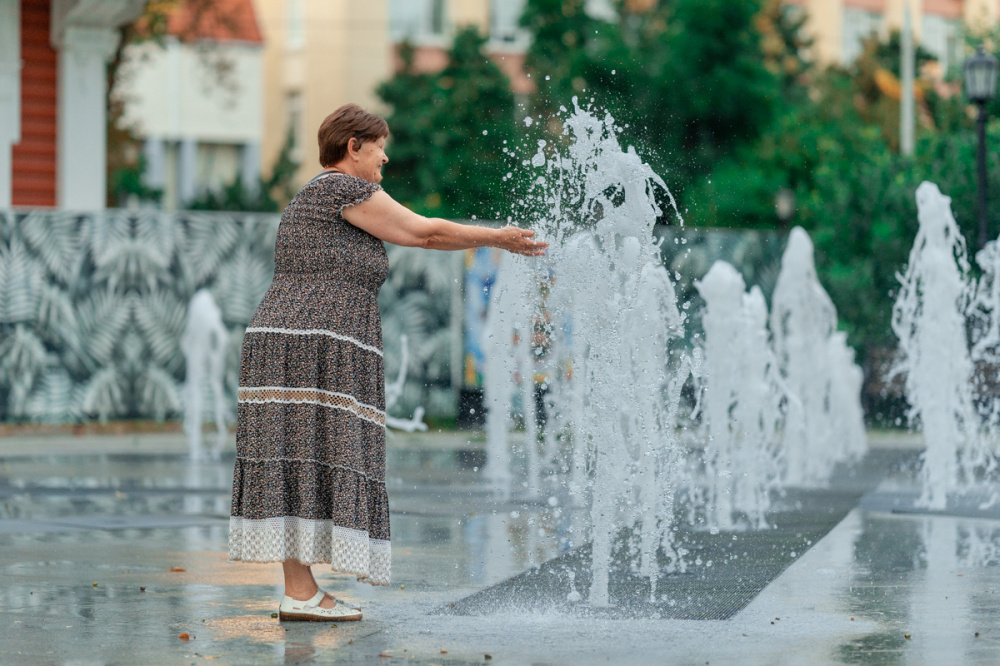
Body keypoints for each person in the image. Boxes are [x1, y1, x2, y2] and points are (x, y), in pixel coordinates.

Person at [228, 103, 547, 622]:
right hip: (311, 343)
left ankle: (301, 590)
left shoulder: (313, 194)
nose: (386, 157)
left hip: (291, 340)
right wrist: (497, 237)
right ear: (353, 147)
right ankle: (301, 591)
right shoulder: (341, 188)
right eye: (379, 147)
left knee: (296, 456)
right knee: (305, 455)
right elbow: (424, 233)